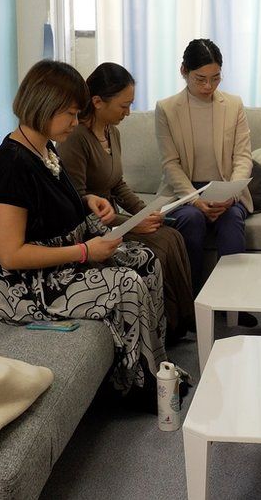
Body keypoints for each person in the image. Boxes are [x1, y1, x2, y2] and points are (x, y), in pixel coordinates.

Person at [0, 59, 168, 394]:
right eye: (71, 114)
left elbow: (52, 208)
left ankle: (154, 367)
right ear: (44, 106)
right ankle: (138, 385)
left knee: (146, 260)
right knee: (126, 282)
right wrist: (84, 252)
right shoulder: (10, 164)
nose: (76, 123)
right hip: (24, 286)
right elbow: (10, 254)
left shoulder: (44, 148)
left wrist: (89, 200)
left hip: (60, 266)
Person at [58, 62, 196, 342]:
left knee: (172, 236)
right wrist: (134, 222)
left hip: (116, 218)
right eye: (123, 106)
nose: (128, 112)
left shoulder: (112, 132)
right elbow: (78, 200)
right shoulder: (76, 139)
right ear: (97, 102)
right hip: (94, 225)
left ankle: (181, 321)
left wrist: (146, 210)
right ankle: (166, 327)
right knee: (161, 243)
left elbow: (117, 185)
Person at [154, 39, 256, 326]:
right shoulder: (166, 109)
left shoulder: (233, 105)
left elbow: (243, 157)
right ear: (184, 71)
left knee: (232, 220)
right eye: (200, 79)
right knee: (191, 220)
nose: (208, 86)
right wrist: (195, 200)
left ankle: (233, 302)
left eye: (215, 78)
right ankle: (192, 304)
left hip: (224, 187)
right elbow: (170, 163)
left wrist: (230, 194)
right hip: (184, 191)